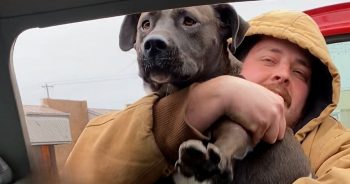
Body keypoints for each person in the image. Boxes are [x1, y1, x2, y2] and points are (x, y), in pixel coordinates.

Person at [62, 9, 350, 184]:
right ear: (233, 56)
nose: (283, 75)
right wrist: (195, 106)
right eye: (269, 60)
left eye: (300, 74)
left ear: (314, 92)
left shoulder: (336, 146)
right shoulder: (149, 112)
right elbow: (82, 172)